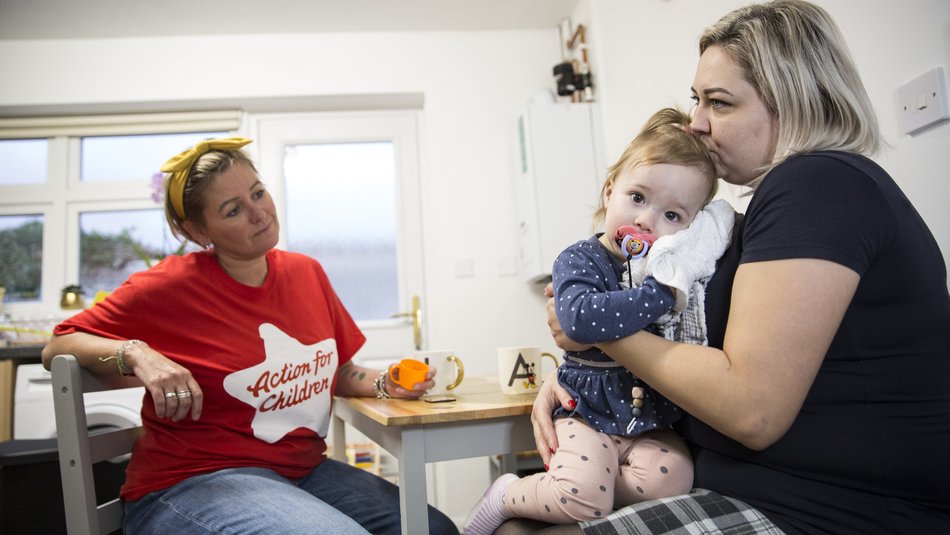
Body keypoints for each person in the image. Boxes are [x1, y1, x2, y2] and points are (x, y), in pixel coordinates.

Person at [518, 1, 950, 534]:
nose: (696, 124)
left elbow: (752, 410)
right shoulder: (749, 218)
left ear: (796, 101)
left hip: (827, 511)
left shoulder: (818, 187)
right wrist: (580, 381)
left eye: (719, 103)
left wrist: (594, 335)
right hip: (744, 486)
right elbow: (695, 352)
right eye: (698, 99)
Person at [41, 137, 459, 535]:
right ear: (198, 231)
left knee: (435, 529)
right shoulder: (168, 286)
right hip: (191, 483)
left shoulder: (305, 273)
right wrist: (136, 352)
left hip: (301, 472)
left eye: (258, 193)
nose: (259, 213)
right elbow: (58, 344)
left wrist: (387, 384)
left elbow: (340, 371)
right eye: (232, 210)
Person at [464, 108, 735, 535]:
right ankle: (506, 494)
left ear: (690, 230)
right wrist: (659, 295)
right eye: (638, 198)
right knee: (582, 497)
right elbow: (579, 320)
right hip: (586, 409)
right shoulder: (581, 258)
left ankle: (595, 491)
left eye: (673, 216)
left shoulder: (673, 268)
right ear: (611, 191)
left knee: (675, 478)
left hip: (646, 417)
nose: (646, 220)